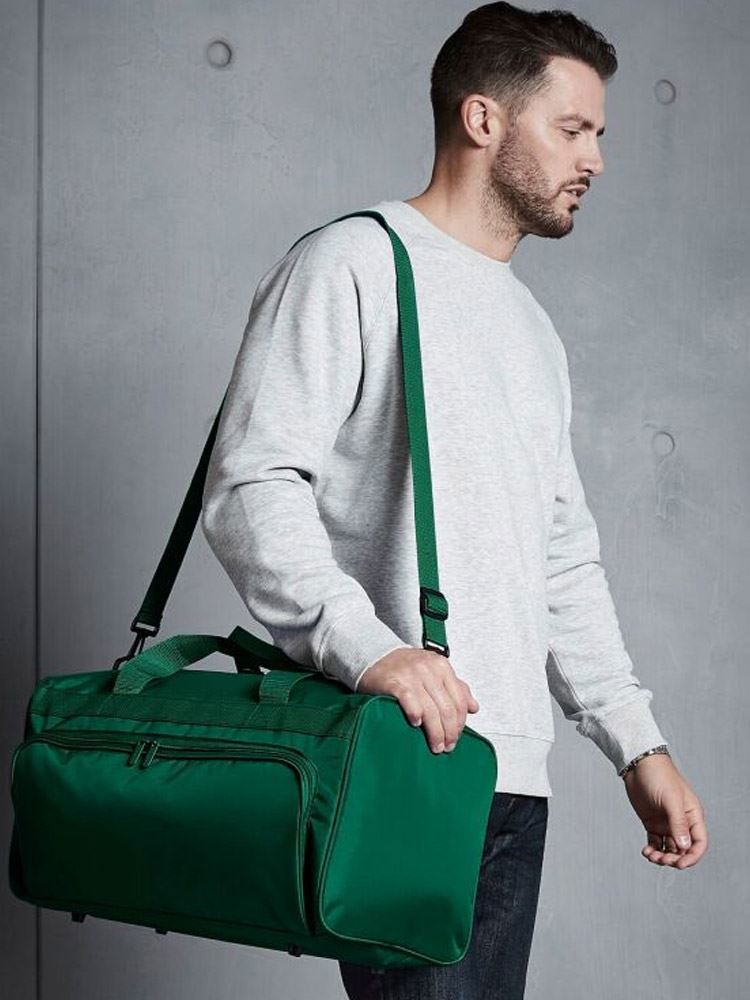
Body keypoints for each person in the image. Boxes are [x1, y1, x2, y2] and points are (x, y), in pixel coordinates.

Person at [202, 3, 708, 997]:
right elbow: (252, 485)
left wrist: (635, 743)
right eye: (573, 128)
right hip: (402, 760)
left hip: (514, 779)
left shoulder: (531, 327)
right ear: (483, 119)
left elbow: (561, 557)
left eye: (599, 133)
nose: (597, 158)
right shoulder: (351, 264)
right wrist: (372, 650)